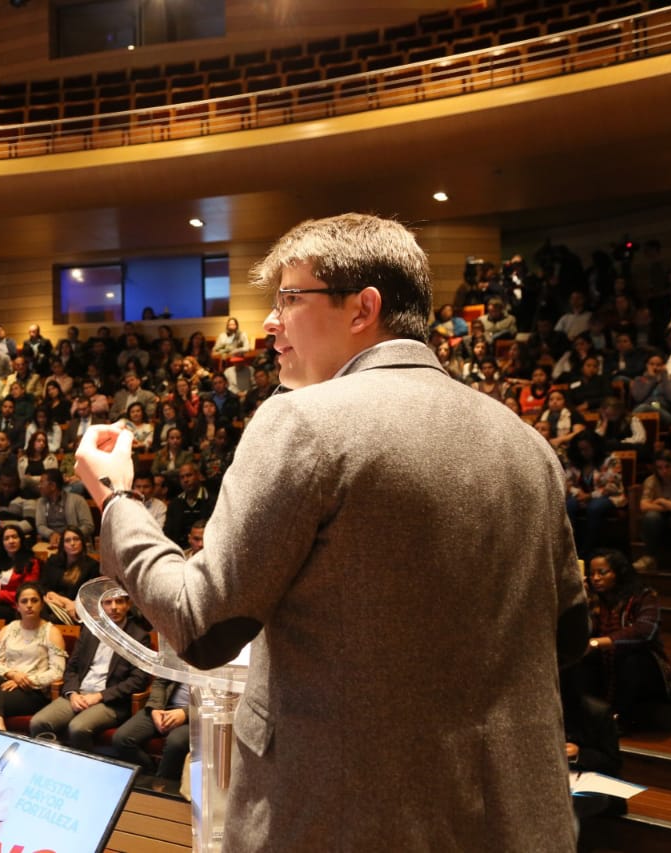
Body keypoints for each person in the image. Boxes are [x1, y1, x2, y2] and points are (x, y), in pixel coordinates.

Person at [73, 213, 587, 849]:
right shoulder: (527, 445)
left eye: (289, 298)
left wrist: (117, 497)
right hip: (513, 826)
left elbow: (200, 624)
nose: (269, 321)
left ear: (362, 307)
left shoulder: (301, 422)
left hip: (342, 822)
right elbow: (568, 634)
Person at [572, 550, 671, 729]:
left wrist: (597, 643)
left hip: (644, 667)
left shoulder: (643, 596)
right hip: (606, 666)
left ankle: (621, 720)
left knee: (628, 660)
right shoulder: (594, 599)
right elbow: (582, 632)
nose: (595, 578)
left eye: (602, 572)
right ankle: (587, 717)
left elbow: (644, 631)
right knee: (582, 660)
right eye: (592, 573)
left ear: (619, 573)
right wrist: (580, 602)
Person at [29, 591, 148, 750]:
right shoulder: (90, 630)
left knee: (78, 727)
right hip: (78, 694)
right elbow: (72, 668)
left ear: (128, 605)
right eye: (108, 602)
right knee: (38, 722)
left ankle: (83, 770)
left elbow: (138, 680)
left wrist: (99, 696)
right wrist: (72, 693)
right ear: (101, 606)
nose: (114, 607)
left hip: (110, 701)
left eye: (119, 602)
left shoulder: (139, 637)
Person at [0, 582, 66, 731]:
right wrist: (13, 675)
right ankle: (0, 730)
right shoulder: (8, 629)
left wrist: (25, 680)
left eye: (34, 601)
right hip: (7, 683)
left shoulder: (51, 632)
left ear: (41, 605)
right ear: (17, 606)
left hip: (34, 692)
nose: (29, 605)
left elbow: (57, 672)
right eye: (24, 601)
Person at [38, 525, 99, 624]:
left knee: (50, 618)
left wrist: (63, 601)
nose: (72, 543)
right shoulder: (53, 561)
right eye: (67, 540)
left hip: (75, 609)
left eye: (76, 539)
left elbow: (89, 596)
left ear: (82, 543)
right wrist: (58, 599)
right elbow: (42, 586)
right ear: (62, 545)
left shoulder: (92, 566)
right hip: (51, 603)